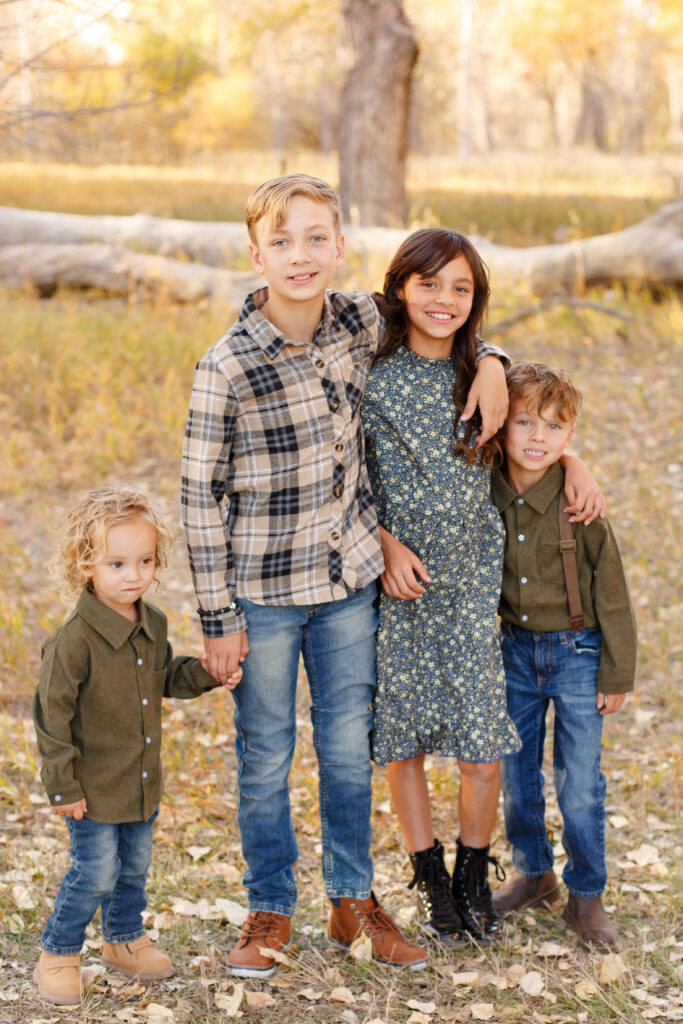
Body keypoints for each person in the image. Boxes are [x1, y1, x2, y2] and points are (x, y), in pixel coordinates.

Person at [181, 174, 511, 977]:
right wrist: (215, 617)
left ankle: (351, 901)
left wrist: (496, 360)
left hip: (348, 588)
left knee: (342, 750)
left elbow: (445, 312)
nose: (301, 255)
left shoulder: (361, 319)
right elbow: (198, 496)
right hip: (262, 594)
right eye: (282, 241)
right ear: (256, 253)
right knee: (264, 754)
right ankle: (267, 910)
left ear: (339, 245)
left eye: (317, 238)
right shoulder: (225, 365)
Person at [362, 230, 604, 946]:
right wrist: (380, 546)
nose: (443, 301)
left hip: (470, 581)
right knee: (401, 741)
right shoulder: (370, 372)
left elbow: (539, 436)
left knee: (479, 744)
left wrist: (578, 466)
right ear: (400, 285)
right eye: (428, 284)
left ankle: (473, 872)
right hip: (397, 579)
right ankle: (431, 879)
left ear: (476, 300)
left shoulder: (480, 369)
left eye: (460, 288)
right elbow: (342, 473)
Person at [32, 488, 233, 1006]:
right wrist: (62, 787)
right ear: (86, 565)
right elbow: (51, 720)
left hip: (141, 781)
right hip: (92, 789)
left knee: (134, 868)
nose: (133, 574)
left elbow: (166, 677)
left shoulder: (152, 623)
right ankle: (59, 950)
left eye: (144, 561)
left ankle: (123, 940)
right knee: (95, 871)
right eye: (117, 563)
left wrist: (208, 673)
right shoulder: (72, 641)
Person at [491, 361, 637, 950]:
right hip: (510, 653)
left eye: (554, 428)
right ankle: (535, 873)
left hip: (577, 651)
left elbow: (615, 593)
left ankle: (586, 892)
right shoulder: (483, 493)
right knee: (515, 776)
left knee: (579, 783)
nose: (536, 437)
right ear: (502, 426)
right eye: (523, 421)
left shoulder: (581, 504)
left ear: (570, 435)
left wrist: (617, 671)